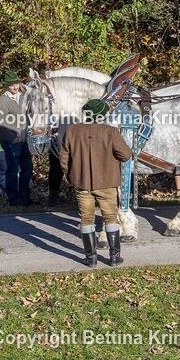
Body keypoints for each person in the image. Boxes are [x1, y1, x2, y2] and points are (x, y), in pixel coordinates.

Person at [60, 99, 132, 267]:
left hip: (82, 183)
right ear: (102, 115)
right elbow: (126, 155)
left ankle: (91, 258)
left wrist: (72, 176)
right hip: (107, 183)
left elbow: (64, 159)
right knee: (110, 218)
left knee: (86, 219)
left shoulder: (72, 131)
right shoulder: (111, 132)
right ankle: (114, 257)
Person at [0, 70, 33, 206]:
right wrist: (13, 134)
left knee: (27, 169)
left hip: (25, 139)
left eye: (16, 84)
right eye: (12, 85)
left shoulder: (24, 97)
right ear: (6, 86)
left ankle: (25, 196)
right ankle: (13, 198)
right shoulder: (2, 101)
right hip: (11, 140)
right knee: (13, 170)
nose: (15, 87)